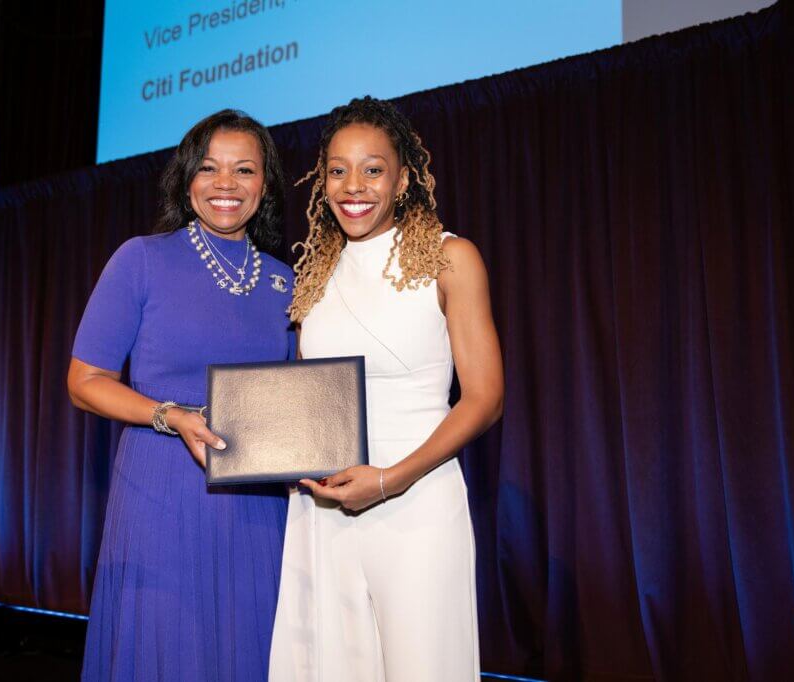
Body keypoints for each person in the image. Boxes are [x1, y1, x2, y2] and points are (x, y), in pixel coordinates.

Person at [269, 96, 504, 681]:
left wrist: (388, 479)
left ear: (403, 178)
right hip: (324, 513)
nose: (355, 186)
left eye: (373, 169)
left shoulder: (451, 259)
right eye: (338, 170)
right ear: (322, 182)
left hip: (416, 502)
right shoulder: (313, 278)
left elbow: (484, 398)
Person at [68, 109, 294, 682]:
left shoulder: (285, 280)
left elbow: (298, 399)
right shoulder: (141, 258)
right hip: (161, 491)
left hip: (259, 504)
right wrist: (171, 416)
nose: (226, 184)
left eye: (244, 169)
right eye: (210, 168)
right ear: (186, 177)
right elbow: (85, 382)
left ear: (264, 183)